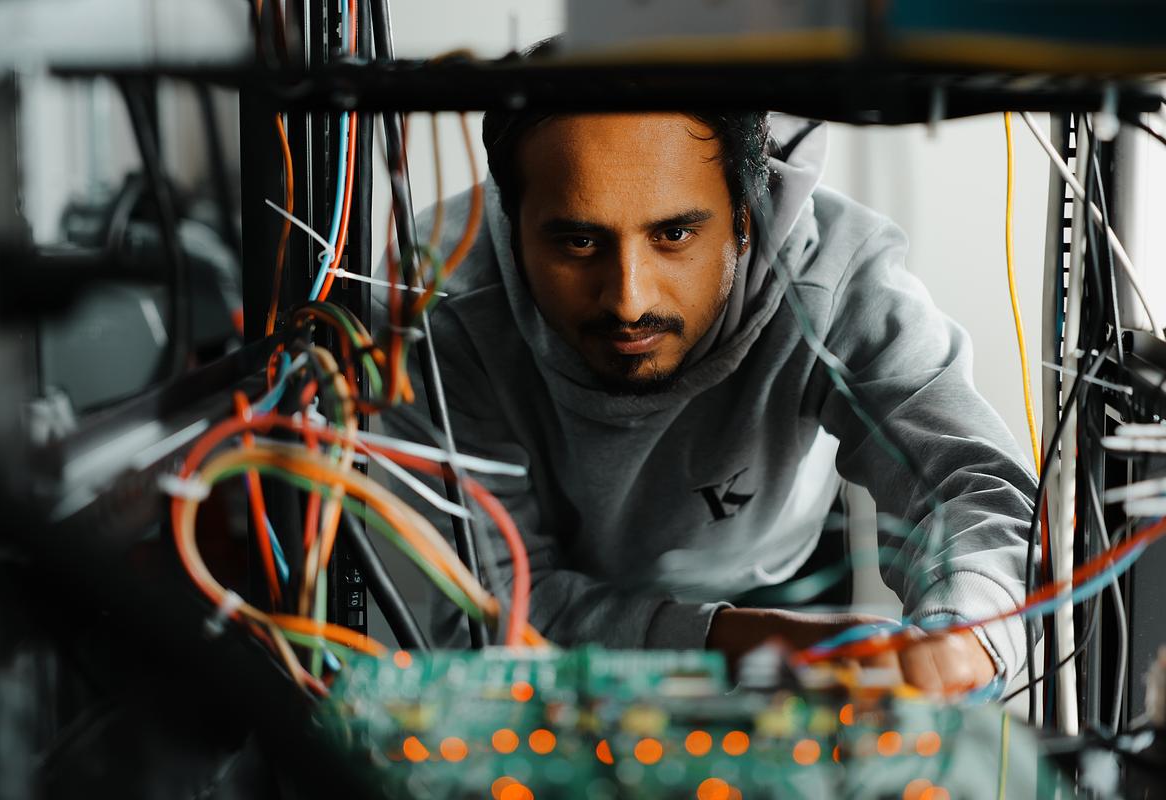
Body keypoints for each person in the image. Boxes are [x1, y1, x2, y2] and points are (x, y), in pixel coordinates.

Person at [376, 106, 1036, 695]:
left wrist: (963, 638)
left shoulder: (833, 274)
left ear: (746, 217)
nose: (629, 299)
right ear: (511, 221)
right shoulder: (434, 309)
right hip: (557, 604)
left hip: (776, 574)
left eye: (674, 236)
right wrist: (747, 642)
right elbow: (493, 611)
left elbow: (971, 484)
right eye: (579, 242)